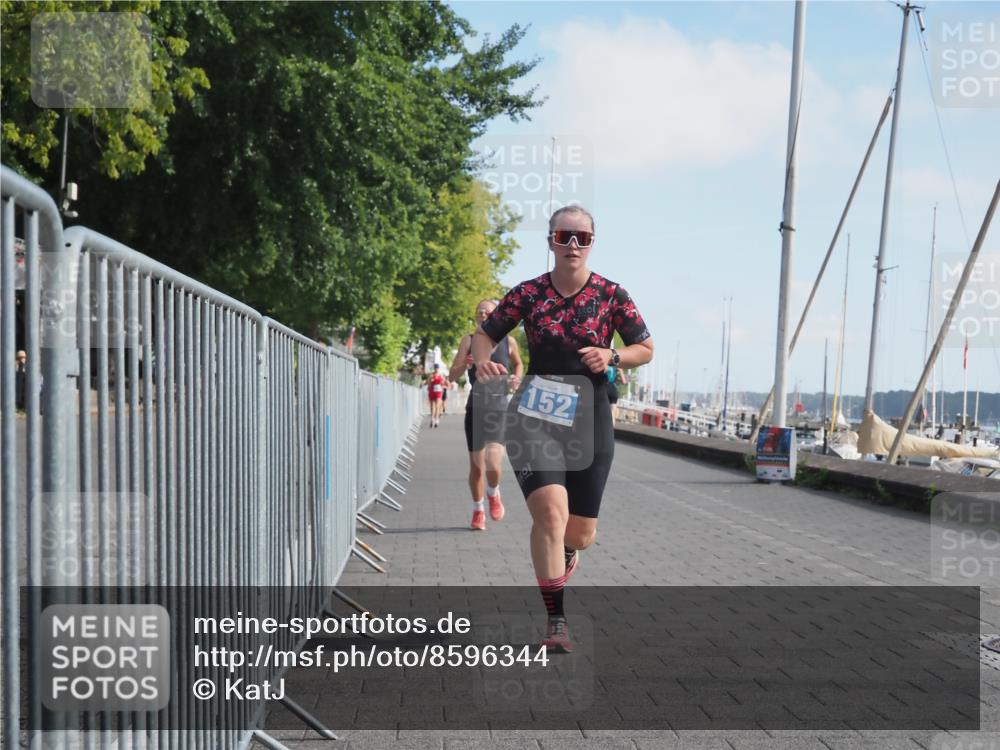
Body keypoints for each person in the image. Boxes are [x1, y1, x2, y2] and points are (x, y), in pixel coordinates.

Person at [472, 205, 654, 652]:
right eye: (564, 236)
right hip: (534, 414)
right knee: (550, 514)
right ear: (551, 240)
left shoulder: (612, 295)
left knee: (579, 534)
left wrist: (612, 356)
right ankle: (556, 622)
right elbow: (486, 334)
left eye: (583, 237)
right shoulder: (528, 293)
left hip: (590, 417)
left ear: (593, 242)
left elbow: (644, 348)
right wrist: (480, 362)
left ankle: (566, 554)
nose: (573, 245)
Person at [449, 300, 524, 531]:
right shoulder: (469, 341)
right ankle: (478, 509)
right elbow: (452, 376)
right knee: (477, 467)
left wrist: (516, 378)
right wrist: (465, 364)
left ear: (497, 315)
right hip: (476, 408)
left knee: (493, 461)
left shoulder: (508, 341)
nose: (482, 314)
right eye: (479, 311)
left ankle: (493, 493)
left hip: (500, 407)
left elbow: (518, 364)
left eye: (487, 311)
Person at [425, 363, 447, 428]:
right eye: (435, 368)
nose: (436, 369)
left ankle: (437, 420)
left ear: (438, 368)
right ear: (434, 368)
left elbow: (444, 383)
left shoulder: (441, 375)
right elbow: (428, 383)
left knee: (437, 406)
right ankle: (432, 419)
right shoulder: (431, 375)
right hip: (432, 391)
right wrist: (430, 382)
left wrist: (442, 384)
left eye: (437, 368)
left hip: (439, 392)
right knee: (432, 406)